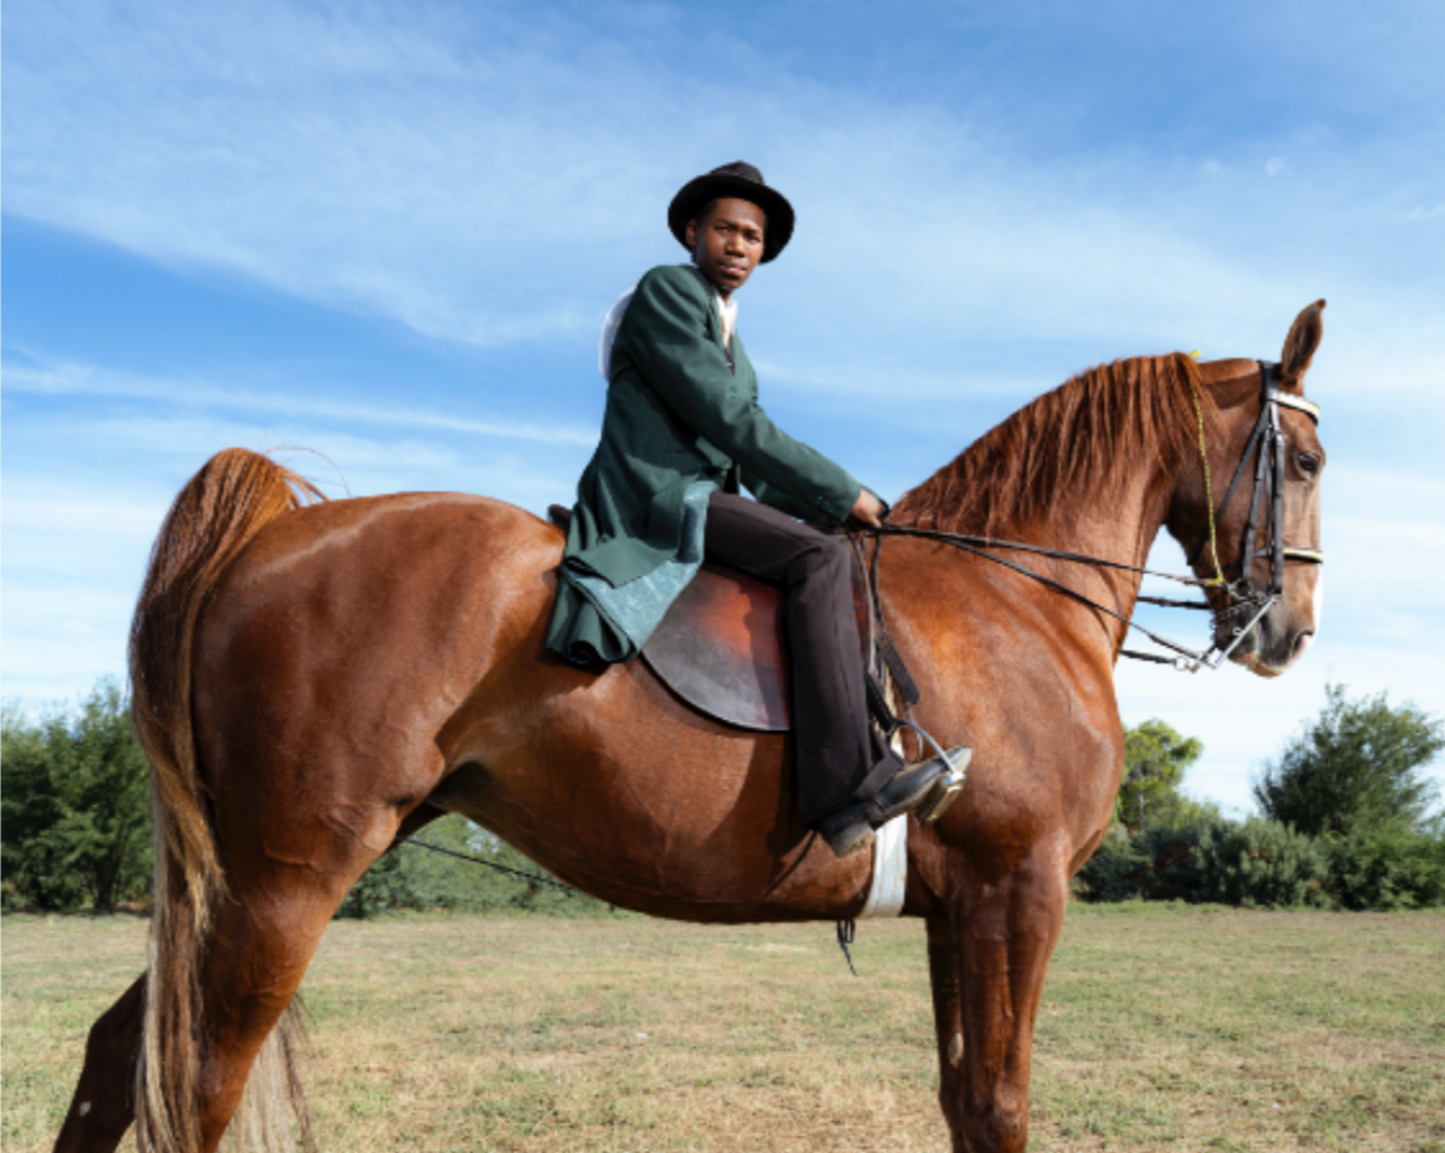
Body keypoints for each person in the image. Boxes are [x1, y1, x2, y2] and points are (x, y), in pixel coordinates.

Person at [545, 161, 967, 858]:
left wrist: (835, 508)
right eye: (725, 229)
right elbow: (731, 423)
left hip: (707, 490)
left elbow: (747, 462)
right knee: (818, 560)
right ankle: (844, 786)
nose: (738, 246)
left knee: (833, 543)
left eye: (751, 237)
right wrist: (842, 491)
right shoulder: (668, 290)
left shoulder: (733, 340)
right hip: (656, 492)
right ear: (692, 231)